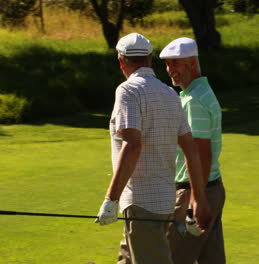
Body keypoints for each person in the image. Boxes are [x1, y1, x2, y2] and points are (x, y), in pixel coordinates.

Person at [95, 33, 211, 264]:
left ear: (121, 60)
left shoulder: (128, 91)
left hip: (141, 203)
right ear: (149, 58)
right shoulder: (170, 94)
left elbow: (132, 144)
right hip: (164, 201)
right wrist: (197, 198)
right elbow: (191, 149)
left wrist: (111, 199)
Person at [160, 37, 226, 264]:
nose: (170, 71)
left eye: (175, 64)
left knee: (171, 258)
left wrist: (195, 200)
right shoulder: (200, 93)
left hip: (194, 191)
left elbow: (200, 152)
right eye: (167, 65)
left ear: (191, 63)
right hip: (210, 189)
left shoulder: (194, 100)